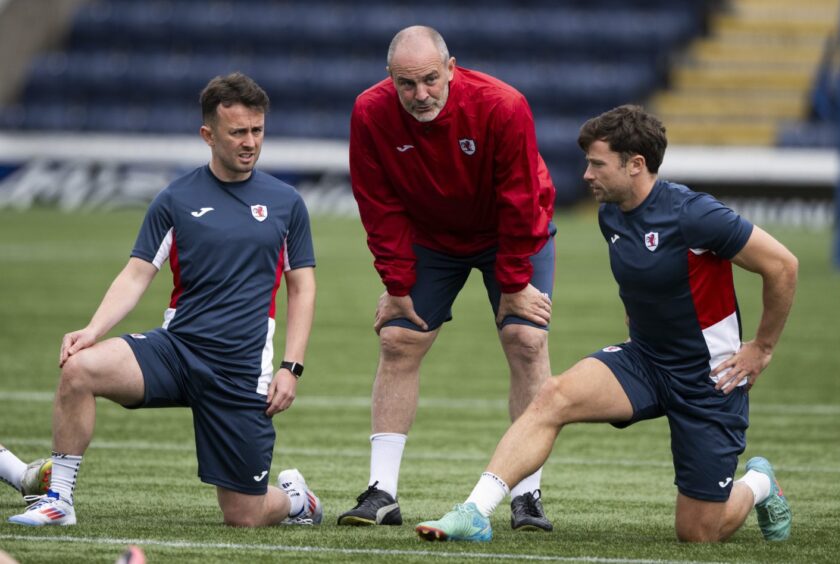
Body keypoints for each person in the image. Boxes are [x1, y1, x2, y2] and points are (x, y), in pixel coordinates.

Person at [415, 105, 797, 543]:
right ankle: (473, 512)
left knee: (699, 533)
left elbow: (783, 266)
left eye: (597, 163)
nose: (586, 175)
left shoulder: (695, 214)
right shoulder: (611, 214)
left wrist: (762, 347)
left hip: (709, 378)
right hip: (645, 360)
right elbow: (641, 284)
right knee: (552, 395)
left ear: (636, 165)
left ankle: (761, 483)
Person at [8, 73, 322, 528]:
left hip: (238, 369)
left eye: (257, 130)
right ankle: (59, 500)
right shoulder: (175, 199)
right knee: (79, 368)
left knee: (244, 515)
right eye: (238, 132)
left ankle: (297, 502)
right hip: (176, 352)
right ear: (207, 135)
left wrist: (291, 367)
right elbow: (137, 275)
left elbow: (303, 286)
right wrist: (91, 332)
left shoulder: (286, 202)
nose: (250, 142)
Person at [340, 25, 557, 531]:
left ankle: (528, 495)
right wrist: (396, 286)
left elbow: (521, 199)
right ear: (389, 79)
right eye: (407, 84)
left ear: (452, 68)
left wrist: (514, 282)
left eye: (431, 80)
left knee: (526, 339)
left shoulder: (503, 106)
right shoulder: (369, 111)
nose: (420, 95)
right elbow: (377, 202)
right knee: (397, 339)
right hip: (433, 237)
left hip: (511, 232)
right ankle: (382, 493)